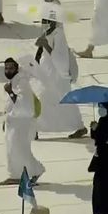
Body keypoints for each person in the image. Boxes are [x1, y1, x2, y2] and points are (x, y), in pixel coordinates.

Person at [27, 8, 86, 139]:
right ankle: (35, 128)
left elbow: (60, 57)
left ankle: (80, 126)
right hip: (46, 70)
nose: (46, 23)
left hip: (57, 73)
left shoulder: (59, 34)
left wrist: (45, 45)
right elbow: (40, 49)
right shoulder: (47, 31)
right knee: (42, 98)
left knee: (62, 100)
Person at [0, 57, 45, 185]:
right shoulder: (14, 82)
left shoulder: (21, 82)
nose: (8, 70)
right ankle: (16, 175)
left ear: (17, 68)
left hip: (22, 123)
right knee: (12, 149)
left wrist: (10, 92)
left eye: (11, 68)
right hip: (13, 122)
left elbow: (24, 105)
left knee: (20, 150)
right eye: (6, 68)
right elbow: (10, 105)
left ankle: (36, 171)